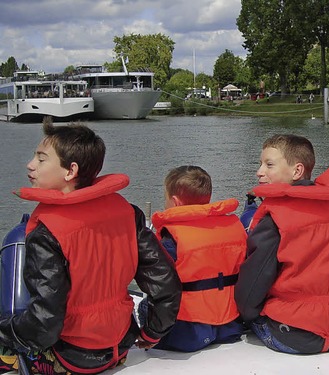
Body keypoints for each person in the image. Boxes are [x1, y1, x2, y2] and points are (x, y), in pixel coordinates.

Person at [1, 120, 181, 374]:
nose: (30, 165)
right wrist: (152, 333)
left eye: (41, 159)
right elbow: (166, 284)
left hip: (72, 357)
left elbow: (45, 322)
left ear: (70, 171)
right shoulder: (128, 212)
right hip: (120, 348)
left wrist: (7, 330)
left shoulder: (47, 233)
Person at [234, 134, 329, 354]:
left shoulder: (276, 218)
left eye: (269, 165)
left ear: (297, 171)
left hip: (290, 334)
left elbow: (252, 288)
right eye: (260, 164)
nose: (259, 172)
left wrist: (246, 315)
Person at [140, 166, 247, 352]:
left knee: (142, 306)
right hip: (230, 326)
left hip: (187, 333)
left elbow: (162, 288)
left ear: (175, 202)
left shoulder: (171, 240)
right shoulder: (234, 229)